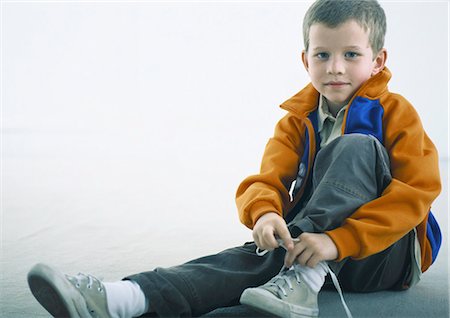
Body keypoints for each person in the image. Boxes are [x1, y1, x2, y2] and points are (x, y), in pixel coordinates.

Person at [27, 0, 442, 317]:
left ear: (378, 61)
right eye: (322, 55)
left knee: (356, 147)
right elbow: (266, 180)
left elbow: (416, 193)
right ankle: (123, 298)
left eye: (351, 55)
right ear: (305, 60)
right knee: (249, 263)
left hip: (380, 257)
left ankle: (304, 274)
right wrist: (264, 214)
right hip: (311, 248)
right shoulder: (296, 121)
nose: (335, 68)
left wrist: (337, 241)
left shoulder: (395, 113)